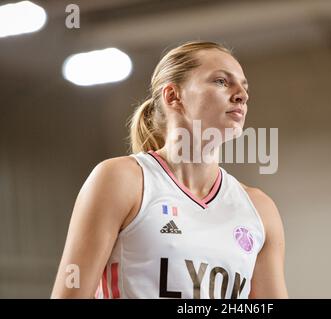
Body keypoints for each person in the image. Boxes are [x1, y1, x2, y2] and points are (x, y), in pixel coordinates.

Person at [51, 40, 288, 299]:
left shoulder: (260, 209)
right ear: (173, 96)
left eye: (244, 86)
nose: (241, 95)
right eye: (221, 81)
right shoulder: (121, 180)